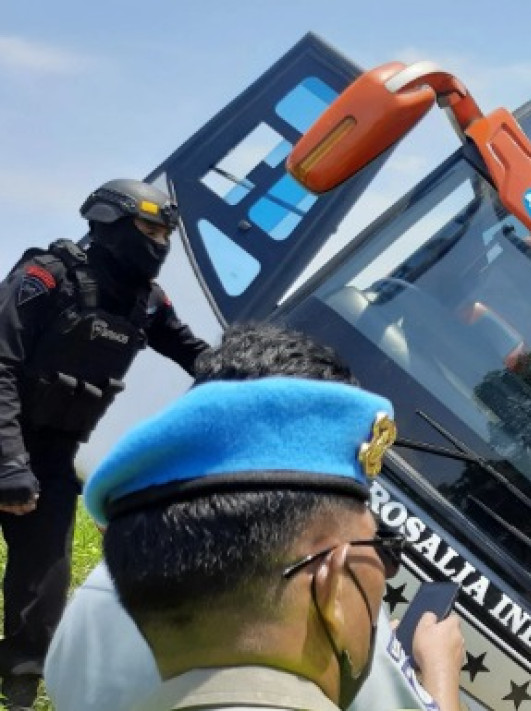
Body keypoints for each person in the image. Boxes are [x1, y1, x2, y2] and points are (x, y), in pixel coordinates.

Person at [45, 323, 463, 711]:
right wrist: (440, 675)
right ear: (331, 582)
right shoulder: (358, 650)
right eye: (379, 548)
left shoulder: (117, 583)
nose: (381, 573)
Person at [0, 178, 208, 707]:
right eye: (149, 228)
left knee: (44, 579)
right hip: (4, 437)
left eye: (166, 232)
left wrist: (261, 374)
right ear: (109, 221)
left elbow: (196, 354)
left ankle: (20, 686)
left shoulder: (146, 305)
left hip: (50, 455)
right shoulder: (45, 278)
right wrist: (8, 462)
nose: (160, 242)